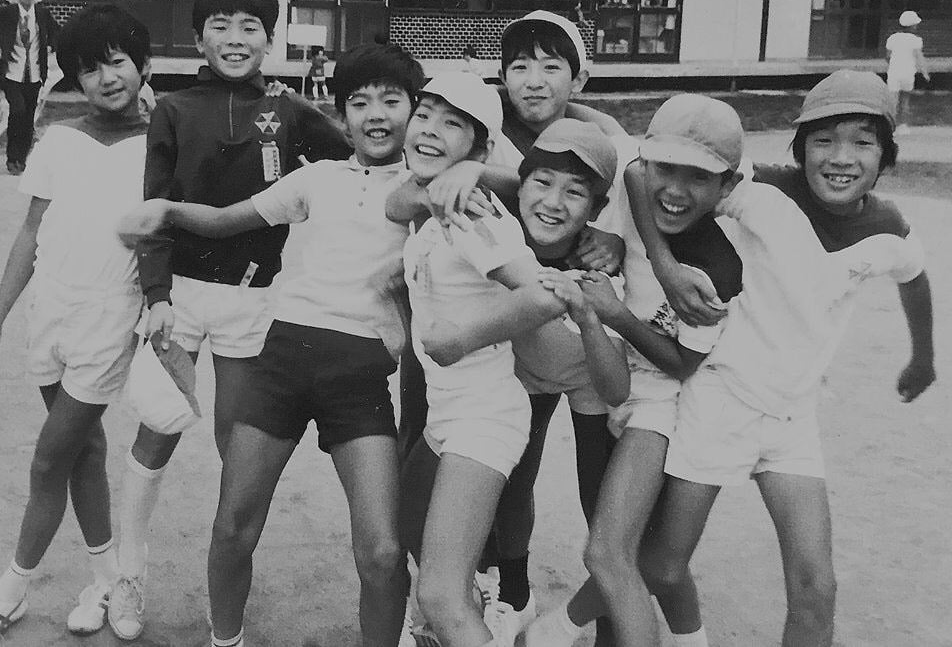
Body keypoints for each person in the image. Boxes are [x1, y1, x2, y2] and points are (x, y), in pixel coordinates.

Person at [117, 40, 427, 647]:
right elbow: (227, 219)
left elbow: (515, 180)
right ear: (341, 115)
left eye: (392, 100)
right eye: (359, 102)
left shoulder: (428, 190)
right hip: (279, 363)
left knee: (384, 552)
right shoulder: (318, 178)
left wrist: (462, 170)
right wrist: (167, 212)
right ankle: (224, 639)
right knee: (233, 526)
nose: (376, 115)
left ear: (417, 110)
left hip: (358, 379)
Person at [629, 71, 935, 647]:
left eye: (863, 141)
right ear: (799, 150)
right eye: (823, 139)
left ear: (886, 155)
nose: (840, 158)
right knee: (663, 565)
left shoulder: (889, 229)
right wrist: (664, 264)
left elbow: (914, 280)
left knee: (817, 589)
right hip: (718, 401)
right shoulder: (758, 188)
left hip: (793, 416)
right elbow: (640, 169)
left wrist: (923, 357)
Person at [106, 0, 350, 642]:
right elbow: (155, 204)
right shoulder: (174, 109)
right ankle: (128, 573)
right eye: (221, 25)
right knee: (157, 430)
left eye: (250, 28)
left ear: (269, 40)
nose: (235, 39)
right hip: (178, 304)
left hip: (253, 302)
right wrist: (155, 297)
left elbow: (360, 159)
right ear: (197, 37)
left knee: (236, 446)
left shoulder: (293, 111)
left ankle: (227, 576)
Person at [388, 73, 626, 647]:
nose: (431, 130)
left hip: (487, 412)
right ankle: (471, 608)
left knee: (440, 595)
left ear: (479, 148)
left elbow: (547, 292)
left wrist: (461, 338)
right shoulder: (438, 198)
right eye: (425, 114)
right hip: (456, 410)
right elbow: (400, 203)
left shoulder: (475, 211)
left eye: (453, 124)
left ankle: (480, 615)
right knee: (407, 530)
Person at [522, 94, 745, 647]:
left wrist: (616, 312)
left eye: (698, 177)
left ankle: (566, 627)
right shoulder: (636, 184)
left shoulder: (717, 268)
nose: (674, 188)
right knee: (616, 540)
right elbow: (627, 169)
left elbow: (682, 364)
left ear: (728, 187)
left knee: (611, 551)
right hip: (604, 384)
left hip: (658, 401)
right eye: (665, 168)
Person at [0, 3, 152, 641]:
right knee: (83, 451)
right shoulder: (57, 139)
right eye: (88, 69)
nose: (105, 78)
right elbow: (31, 232)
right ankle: (108, 580)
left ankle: (12, 585)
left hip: (111, 317)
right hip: (48, 314)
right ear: (73, 80)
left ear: (142, 65)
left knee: (46, 461)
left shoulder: (163, 141)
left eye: (117, 61)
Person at [0, 0, 59, 174]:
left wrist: (51, 46)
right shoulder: (6, 13)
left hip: (35, 74)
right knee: (17, 110)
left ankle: (21, 159)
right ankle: (12, 158)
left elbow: (56, 32)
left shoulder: (43, 14)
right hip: (12, 74)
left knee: (28, 116)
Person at [886, 10, 930, 135]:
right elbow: (919, 57)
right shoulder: (916, 40)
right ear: (912, 26)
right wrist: (924, 72)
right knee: (905, 101)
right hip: (908, 73)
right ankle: (903, 126)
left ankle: (890, 126)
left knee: (893, 101)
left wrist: (892, 66)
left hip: (894, 72)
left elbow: (888, 56)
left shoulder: (892, 38)